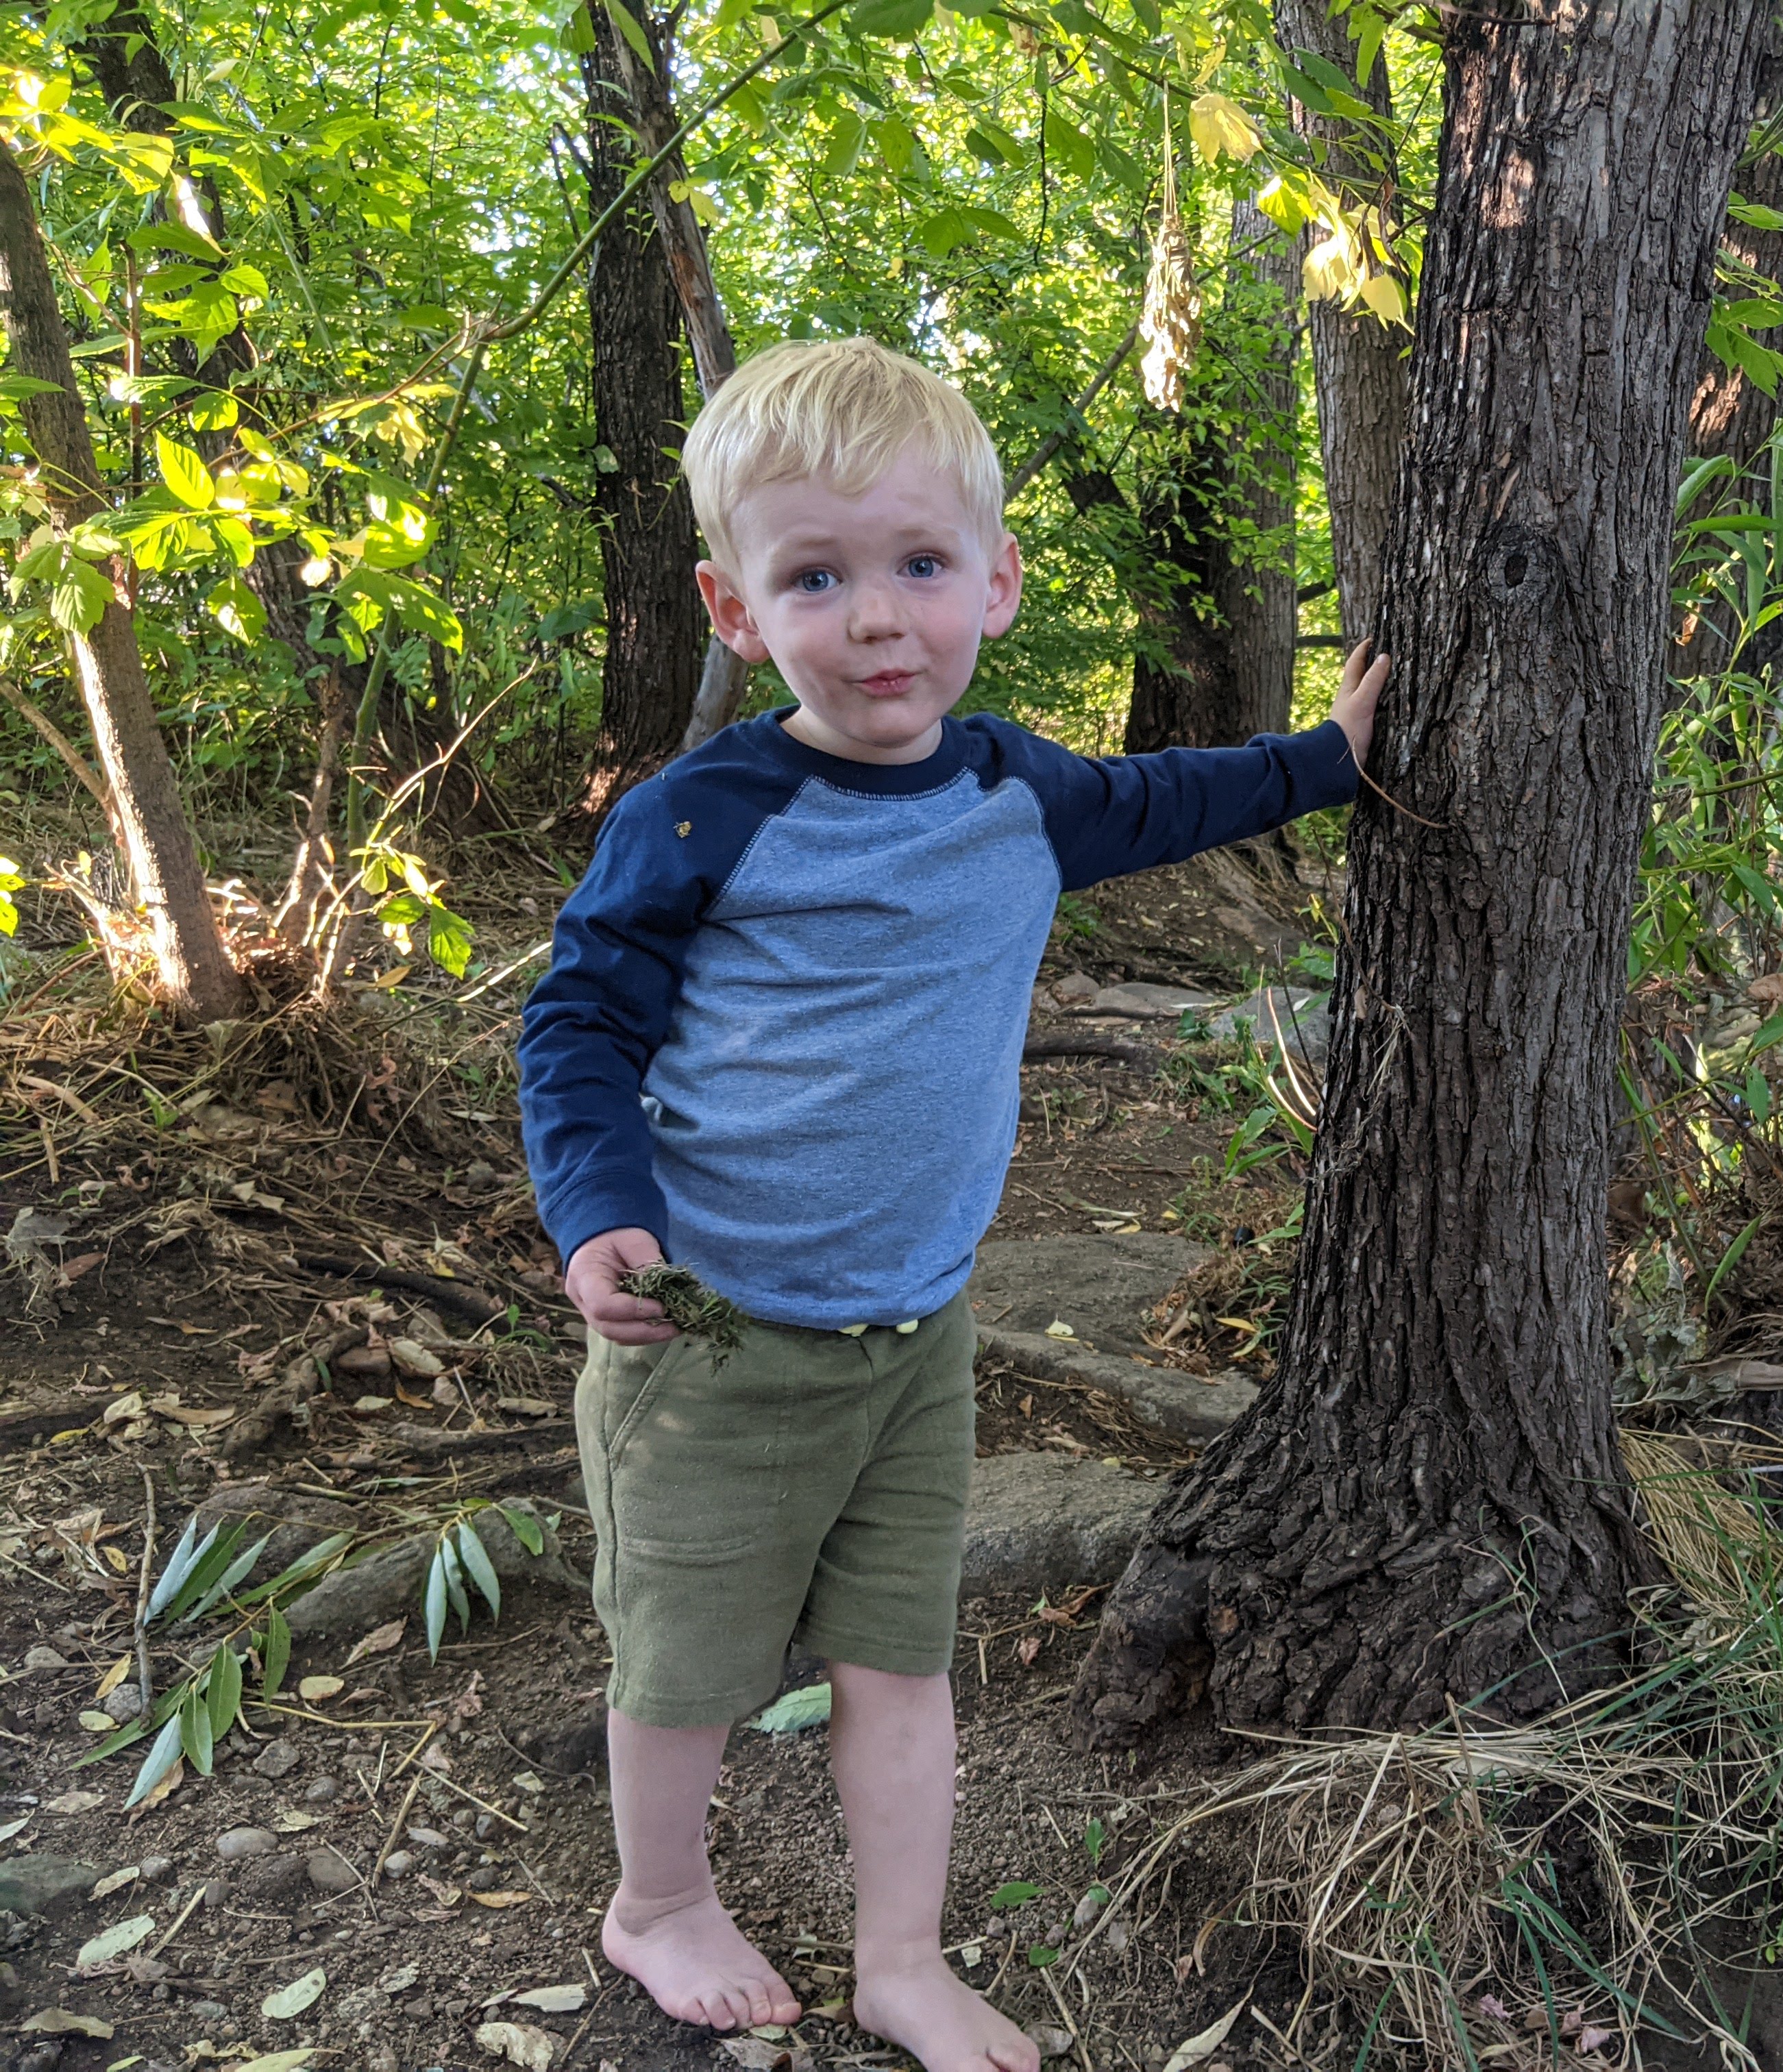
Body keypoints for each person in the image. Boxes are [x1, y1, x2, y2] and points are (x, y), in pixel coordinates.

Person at [517, 336, 1386, 2071]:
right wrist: (596, 1208)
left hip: (916, 1333)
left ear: (994, 578)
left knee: (902, 1664)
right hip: (710, 1334)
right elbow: (579, 1019)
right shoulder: (705, 817)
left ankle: (898, 1958)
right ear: (737, 607)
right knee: (684, 1665)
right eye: (818, 577)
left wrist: (1330, 756)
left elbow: (1165, 800)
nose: (881, 618)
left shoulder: (1017, 790)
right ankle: (659, 1901)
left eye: (921, 565)